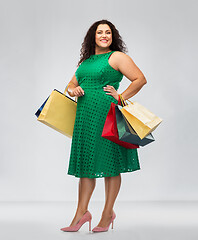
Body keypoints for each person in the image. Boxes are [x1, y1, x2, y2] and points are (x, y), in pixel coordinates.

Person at [60, 19, 147, 233]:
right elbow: (71, 83)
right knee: (86, 166)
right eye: (100, 32)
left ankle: (107, 213)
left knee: (110, 163)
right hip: (85, 118)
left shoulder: (116, 57)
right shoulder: (86, 61)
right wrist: (73, 90)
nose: (104, 36)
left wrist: (121, 96)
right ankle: (81, 212)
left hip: (107, 116)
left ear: (113, 36)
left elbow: (140, 79)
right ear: (93, 36)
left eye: (108, 32)